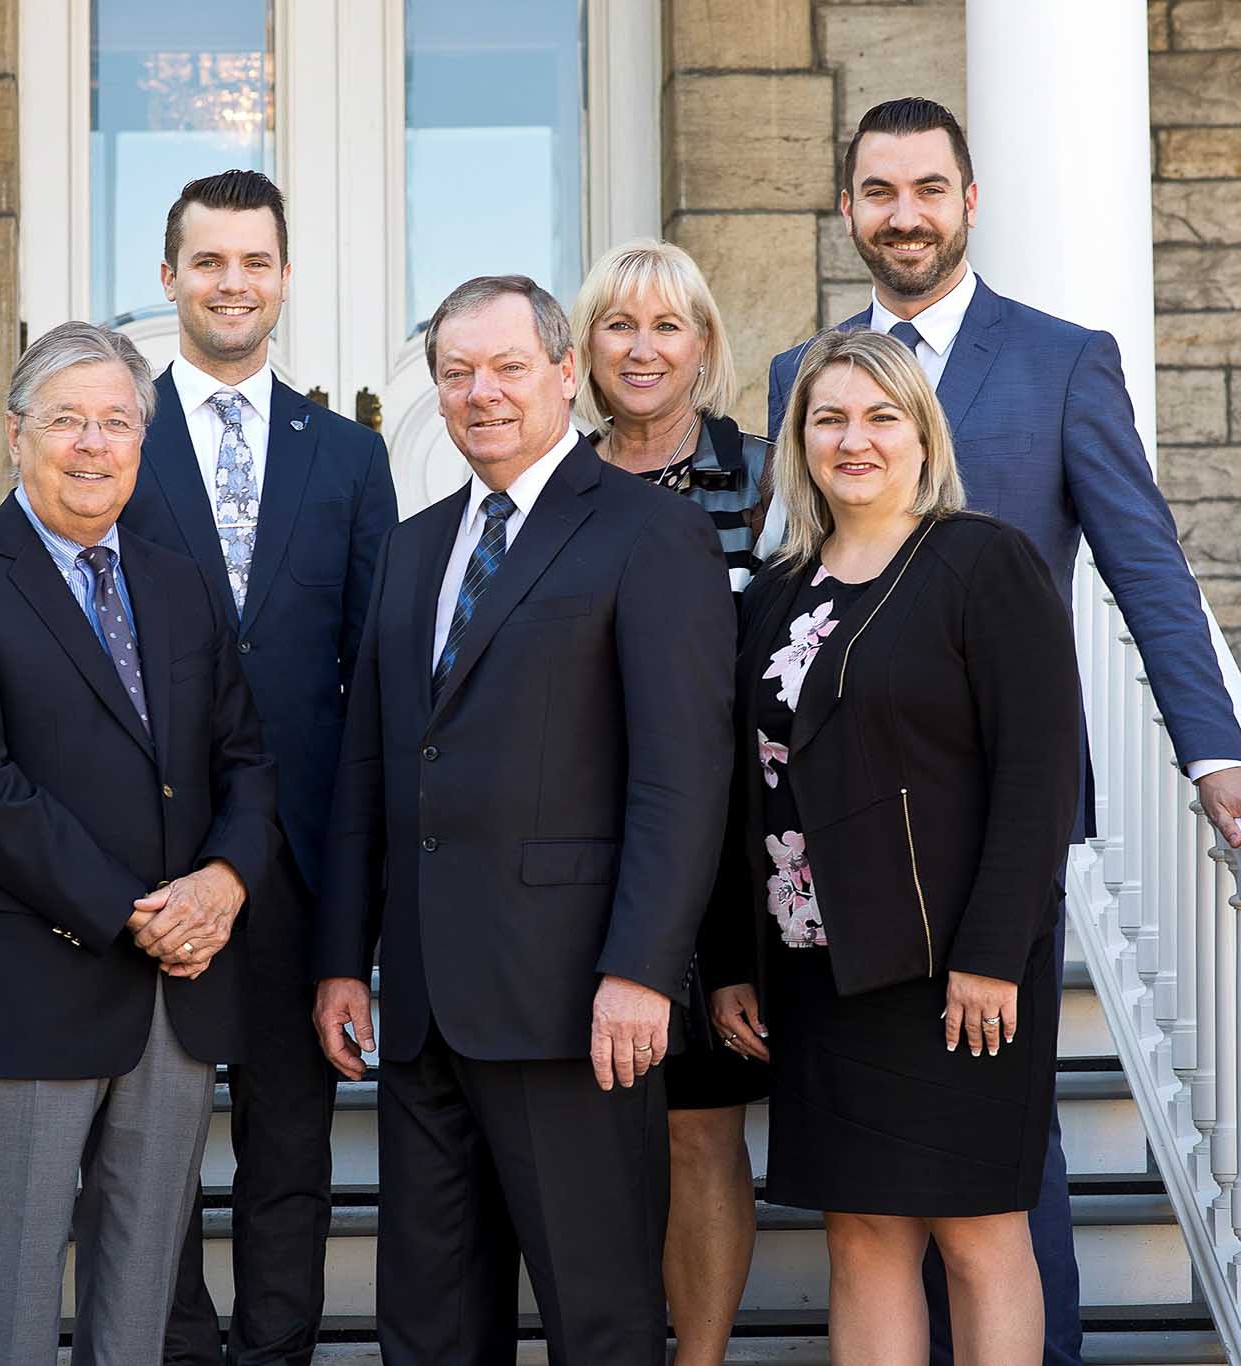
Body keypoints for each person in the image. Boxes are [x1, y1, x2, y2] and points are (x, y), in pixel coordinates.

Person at [761, 96, 1241, 1366]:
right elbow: (786, 587)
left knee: (1004, 1156)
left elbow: (1144, 566)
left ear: (967, 200)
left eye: (925, 188)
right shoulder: (808, 375)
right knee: (878, 1191)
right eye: (875, 191)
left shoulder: (1061, 358)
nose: (901, 214)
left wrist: (1213, 750)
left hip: (985, 825)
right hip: (835, 852)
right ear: (846, 207)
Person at [313, 275, 734, 1364]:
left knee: (597, 1320)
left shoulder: (651, 533)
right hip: (420, 1014)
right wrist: (339, 960)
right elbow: (370, 765)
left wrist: (642, 968)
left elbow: (679, 775)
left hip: (575, 1005)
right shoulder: (413, 547)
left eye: (505, 367)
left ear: (562, 373)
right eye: (456, 373)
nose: (479, 393)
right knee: (430, 1327)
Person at [0, 322, 281, 1366]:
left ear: (141, 444)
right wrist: (138, 916)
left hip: (175, 1003)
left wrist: (226, 884)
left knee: (138, 1308)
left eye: (116, 422)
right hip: (24, 985)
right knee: (3, 1310)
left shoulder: (179, 580)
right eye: (66, 420)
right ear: (15, 435)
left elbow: (243, 757)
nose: (92, 444)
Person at [707, 327, 1081, 1364]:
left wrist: (991, 952)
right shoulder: (775, 592)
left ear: (921, 435)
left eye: (879, 416)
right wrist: (736, 963)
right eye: (827, 418)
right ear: (798, 442)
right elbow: (747, 786)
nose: (852, 439)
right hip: (817, 971)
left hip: (952, 969)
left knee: (975, 1231)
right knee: (861, 1233)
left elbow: (1037, 774)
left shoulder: (981, 563)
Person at [117, 169, 398, 1366]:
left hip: (297, 853)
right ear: (169, 275)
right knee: (154, 1142)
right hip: (148, 853)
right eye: (209, 261)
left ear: (283, 279)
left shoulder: (345, 454)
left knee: (290, 1142)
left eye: (255, 262)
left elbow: (375, 678)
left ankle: (275, 1349)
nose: (233, 283)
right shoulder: (108, 434)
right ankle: (175, 1347)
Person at [568, 238, 766, 1364]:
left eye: (665, 326)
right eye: (616, 325)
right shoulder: (556, 475)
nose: (641, 350)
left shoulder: (762, 474)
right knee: (593, 1131)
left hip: (726, 851)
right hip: (585, 848)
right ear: (582, 348)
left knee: (697, 1127)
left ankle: (695, 1355)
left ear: (701, 345)